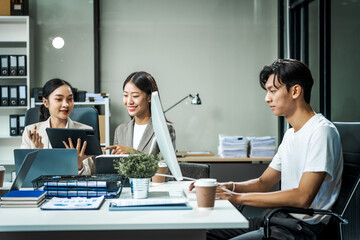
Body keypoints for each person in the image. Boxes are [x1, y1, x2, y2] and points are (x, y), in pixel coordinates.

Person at [190, 59, 343, 240]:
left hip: (302, 230)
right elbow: (264, 183)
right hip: (278, 220)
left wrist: (237, 198)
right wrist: (226, 187)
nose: (267, 98)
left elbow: (303, 197)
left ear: (295, 91)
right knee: (201, 233)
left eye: (272, 90)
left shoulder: (321, 131)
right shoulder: (291, 134)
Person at [21, 78, 95, 175]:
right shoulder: (30, 132)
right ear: (45, 102)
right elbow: (24, 174)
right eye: (59, 99)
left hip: (74, 189)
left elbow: (92, 173)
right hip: (43, 189)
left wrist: (78, 165)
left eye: (70, 99)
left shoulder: (86, 131)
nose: (66, 105)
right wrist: (37, 153)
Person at [105, 71, 176, 155]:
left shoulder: (165, 129)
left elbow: (164, 166)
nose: (129, 101)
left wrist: (133, 153)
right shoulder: (120, 131)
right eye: (125, 95)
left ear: (149, 98)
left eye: (135, 96)